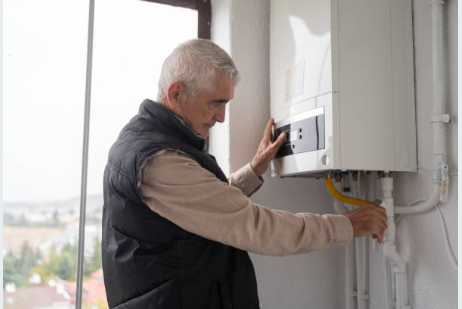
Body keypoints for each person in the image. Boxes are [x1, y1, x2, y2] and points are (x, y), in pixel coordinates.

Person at [102, 39, 387, 309]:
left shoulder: (147, 143)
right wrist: (347, 225)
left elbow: (205, 205)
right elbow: (254, 227)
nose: (221, 116)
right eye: (216, 102)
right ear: (176, 93)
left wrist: (254, 169)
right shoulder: (158, 160)